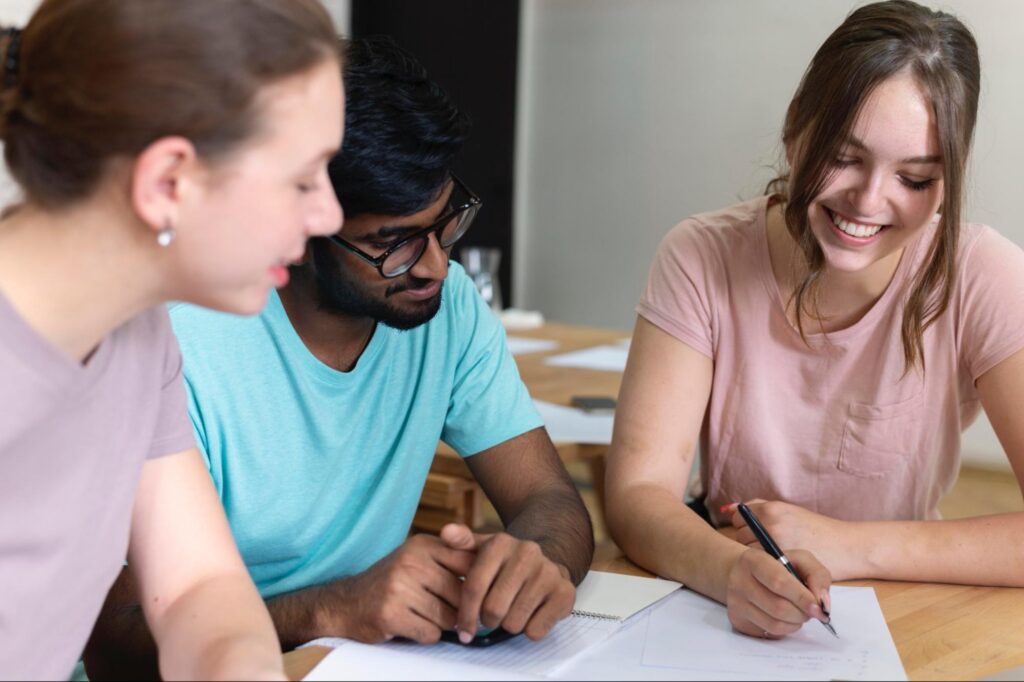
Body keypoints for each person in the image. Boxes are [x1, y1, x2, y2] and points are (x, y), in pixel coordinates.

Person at [85, 36, 594, 677]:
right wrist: (328, 609)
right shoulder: (178, 344)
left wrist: (530, 561)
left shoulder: (450, 308)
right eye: (393, 243)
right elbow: (113, 647)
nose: (435, 265)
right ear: (300, 227)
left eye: (445, 224)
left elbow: (550, 497)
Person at [606, 0, 1024, 641]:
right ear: (796, 127)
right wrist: (731, 572)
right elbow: (637, 495)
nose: (868, 201)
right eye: (846, 157)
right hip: (729, 612)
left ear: (947, 183)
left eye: (913, 178)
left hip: (905, 615)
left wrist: (850, 545)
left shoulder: (982, 274)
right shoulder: (701, 256)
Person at [0, 1, 345, 679]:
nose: (329, 212)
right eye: (303, 178)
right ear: (167, 182)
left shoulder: (137, 330)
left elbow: (198, 589)